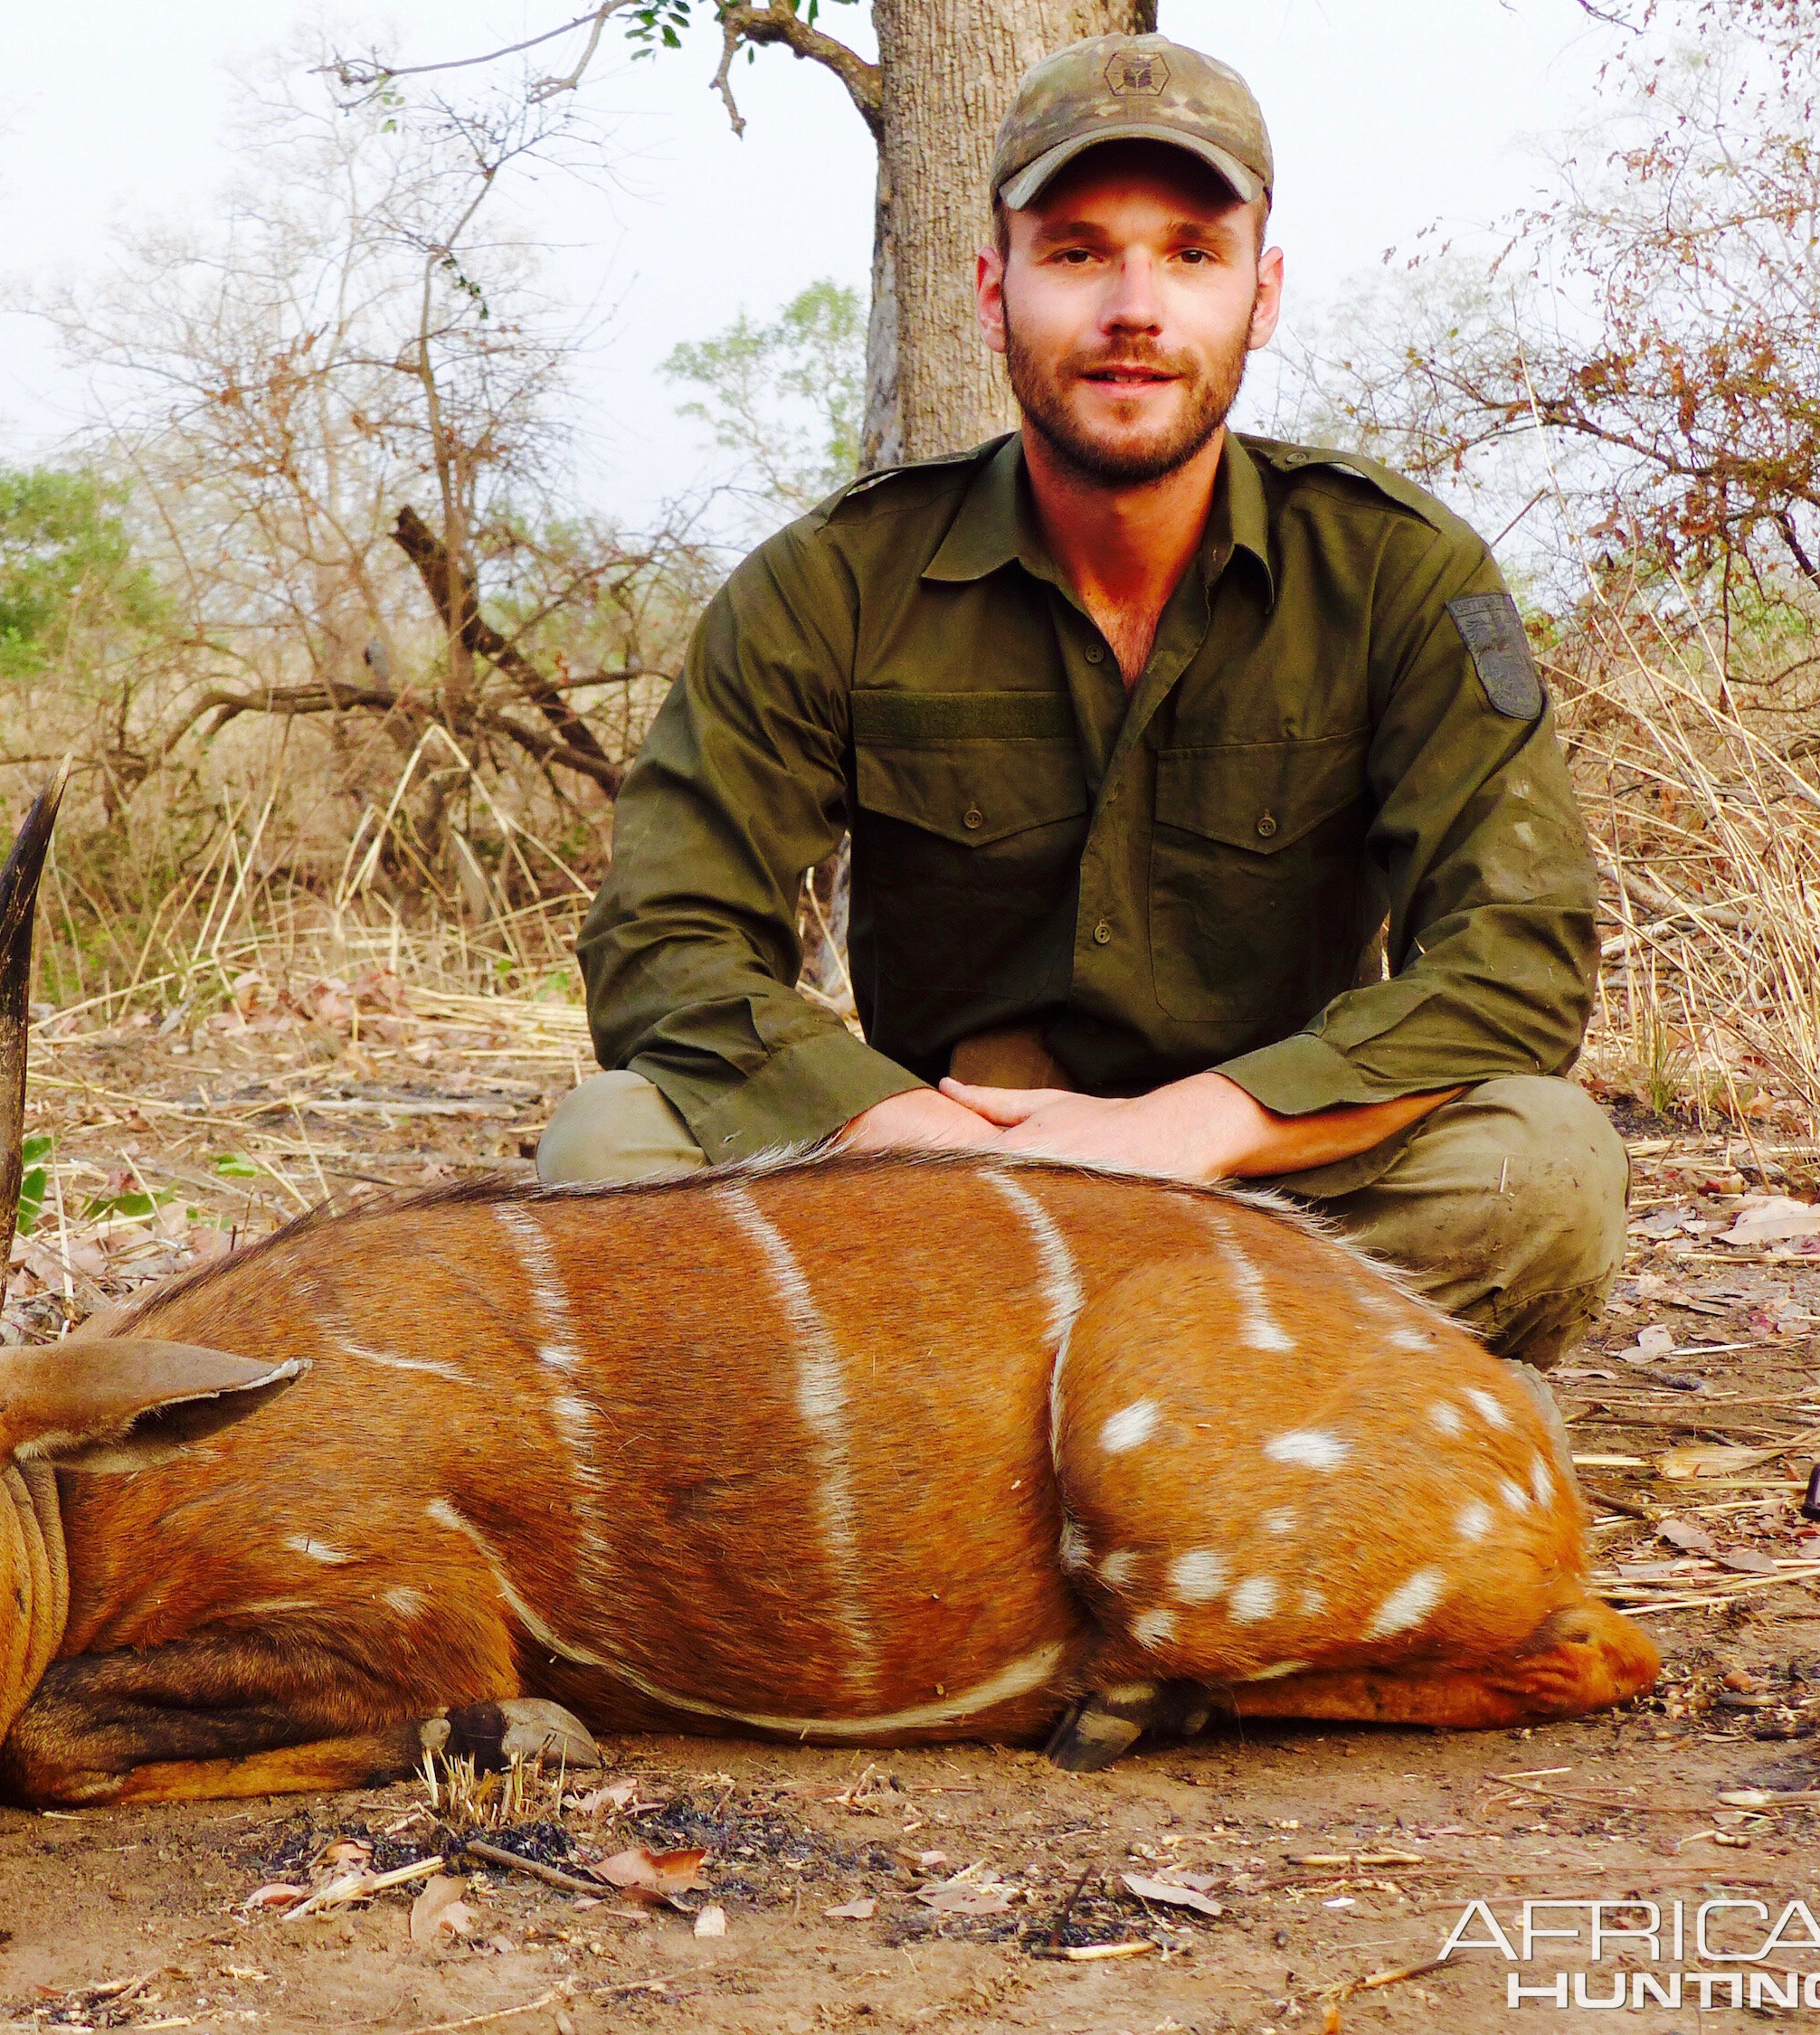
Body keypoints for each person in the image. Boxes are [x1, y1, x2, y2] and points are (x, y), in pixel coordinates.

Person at [538, 31, 1626, 1368]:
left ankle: (975, 1403)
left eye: (1189, 251)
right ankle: (1218, 1403)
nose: (1134, 307)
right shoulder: (829, 583)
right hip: (921, 1200)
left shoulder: (1402, 573)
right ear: (994, 291)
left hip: (1258, 1194)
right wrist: (905, 1137)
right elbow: (662, 945)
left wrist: (1175, 1137)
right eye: (1075, 252)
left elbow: (1514, 959)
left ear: (1261, 291)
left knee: (1547, 1168)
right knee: (607, 1145)